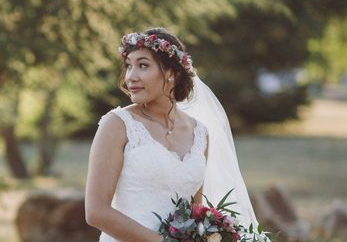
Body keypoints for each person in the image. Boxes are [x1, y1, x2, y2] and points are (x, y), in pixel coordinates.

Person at [85, 27, 259, 242]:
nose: (131, 76)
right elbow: (96, 212)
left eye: (143, 65)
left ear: (171, 74)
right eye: (129, 66)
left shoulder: (200, 134)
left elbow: (194, 213)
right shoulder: (117, 124)